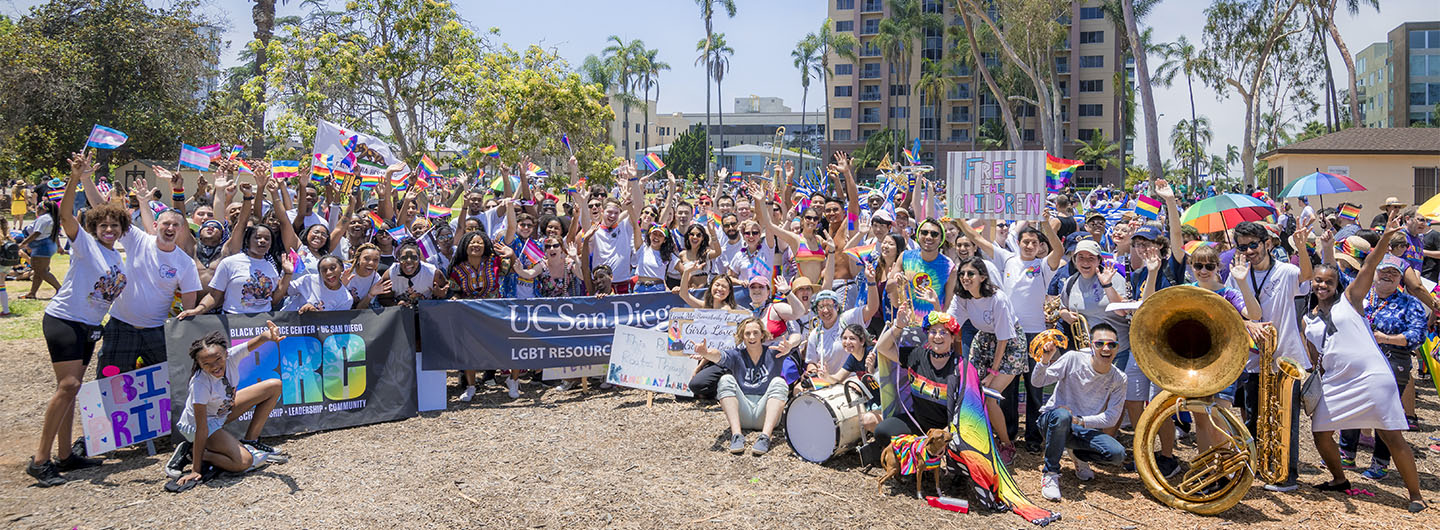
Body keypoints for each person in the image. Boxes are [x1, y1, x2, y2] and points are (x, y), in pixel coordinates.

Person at [1304, 219, 1426, 513]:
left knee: (1391, 435)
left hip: (1371, 377)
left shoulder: (1351, 300)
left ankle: (1415, 495)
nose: (1322, 285)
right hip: (1335, 381)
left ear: (1337, 285)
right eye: (1318, 280)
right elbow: (1313, 356)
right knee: (1320, 433)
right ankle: (1338, 479)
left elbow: (1370, 264)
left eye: (1328, 281)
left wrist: (1385, 237)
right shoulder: (1307, 318)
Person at [27, 153, 127, 487]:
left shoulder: (117, 258)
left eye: (114, 225)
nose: (109, 229)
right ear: (94, 228)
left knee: (72, 389)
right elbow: (66, 213)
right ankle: (41, 460)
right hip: (64, 320)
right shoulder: (84, 244)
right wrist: (75, 178)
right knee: (68, 386)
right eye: (103, 225)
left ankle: (66, 454)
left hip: (89, 327)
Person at [1227, 219, 1313, 492]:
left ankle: (1286, 475)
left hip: (1285, 356)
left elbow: (1306, 278)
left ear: (1267, 243)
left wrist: (1302, 248)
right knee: (1253, 417)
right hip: (1254, 359)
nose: (1250, 251)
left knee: (1285, 421)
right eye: (1243, 247)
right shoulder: (1237, 273)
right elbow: (1234, 312)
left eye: (1254, 244)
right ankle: (1256, 468)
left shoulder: (1287, 270)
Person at [96, 177, 203, 377]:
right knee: (110, 376)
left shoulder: (185, 263)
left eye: (175, 225)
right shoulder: (137, 239)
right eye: (166, 224)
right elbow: (105, 213)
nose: (170, 228)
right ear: (155, 225)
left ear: (181, 230)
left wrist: (184, 329)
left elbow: (189, 302)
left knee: (163, 380)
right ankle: (111, 410)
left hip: (157, 331)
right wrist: (84, 178)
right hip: (121, 325)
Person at [166, 322, 290, 489]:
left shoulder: (231, 356)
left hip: (221, 411)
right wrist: (196, 470)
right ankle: (192, 452)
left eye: (218, 359)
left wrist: (269, 336)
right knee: (244, 462)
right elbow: (202, 427)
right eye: (207, 364)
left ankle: (251, 440)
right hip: (199, 426)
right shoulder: (200, 384)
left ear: (225, 353)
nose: (215, 366)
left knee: (274, 385)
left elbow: (259, 339)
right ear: (200, 365)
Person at [1337, 254, 1427, 479]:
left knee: (1384, 413)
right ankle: (1346, 454)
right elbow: (1336, 276)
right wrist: (1329, 247)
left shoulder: (1410, 303)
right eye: (1383, 271)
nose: (1388, 275)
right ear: (1374, 274)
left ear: (1400, 280)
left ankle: (1380, 463)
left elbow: (1417, 336)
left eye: (1394, 273)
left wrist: (1385, 338)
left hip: (1392, 359)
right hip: (1359, 358)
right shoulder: (1361, 295)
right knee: (1352, 404)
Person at [942, 255, 1026, 463]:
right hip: (985, 340)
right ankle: (981, 441)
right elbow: (949, 322)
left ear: (982, 277)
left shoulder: (998, 298)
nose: (965, 278)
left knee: (989, 396)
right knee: (971, 391)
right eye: (962, 274)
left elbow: (1004, 338)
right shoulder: (963, 297)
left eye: (971, 273)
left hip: (1009, 344)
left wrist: (993, 372)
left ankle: (1007, 445)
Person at [1031, 322, 1128, 502]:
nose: (1106, 348)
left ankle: (1078, 455)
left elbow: (1112, 417)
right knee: (1062, 416)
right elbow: (1038, 382)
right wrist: (1044, 360)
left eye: (1111, 345)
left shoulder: (1119, 378)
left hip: (1081, 427)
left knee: (1117, 454)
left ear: (1117, 348)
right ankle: (1050, 473)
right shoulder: (1073, 359)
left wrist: (1080, 420)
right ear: (1092, 346)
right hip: (1053, 421)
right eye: (1100, 344)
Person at [861, 301, 961, 465]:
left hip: (947, 429)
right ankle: (912, 464)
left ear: (952, 337)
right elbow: (883, 348)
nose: (937, 336)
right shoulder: (917, 355)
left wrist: (944, 436)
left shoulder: (961, 367)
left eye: (944, 332)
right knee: (883, 431)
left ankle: (957, 477)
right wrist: (898, 327)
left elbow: (965, 412)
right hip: (918, 421)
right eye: (933, 331)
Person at [692, 317, 790, 456]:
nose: (752, 337)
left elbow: (798, 339)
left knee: (779, 382)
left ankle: (765, 437)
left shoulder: (774, 352)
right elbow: (719, 355)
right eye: (747, 333)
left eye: (756, 332)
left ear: (762, 334)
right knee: (725, 379)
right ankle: (736, 435)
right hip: (743, 413)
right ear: (742, 336)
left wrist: (790, 346)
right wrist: (706, 353)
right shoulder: (736, 355)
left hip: (766, 414)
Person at [17, 199, 61, 299]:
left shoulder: (44, 218)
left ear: (42, 209)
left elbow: (37, 233)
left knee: (42, 271)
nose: (36, 209)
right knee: (38, 271)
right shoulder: (50, 218)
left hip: (42, 246)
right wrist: (59, 247)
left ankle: (60, 289)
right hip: (45, 246)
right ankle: (32, 293)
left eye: (37, 207)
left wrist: (23, 243)